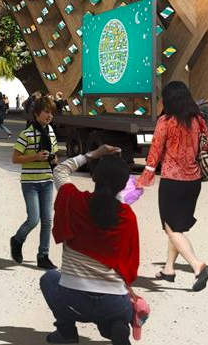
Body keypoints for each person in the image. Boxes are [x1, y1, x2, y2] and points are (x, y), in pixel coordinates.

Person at [39, 145, 136, 345]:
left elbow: (60, 170)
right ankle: (114, 326)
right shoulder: (126, 217)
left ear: (93, 178)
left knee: (49, 278)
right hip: (115, 303)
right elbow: (130, 262)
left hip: (73, 300)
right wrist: (116, 169)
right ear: (124, 185)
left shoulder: (74, 200)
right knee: (114, 311)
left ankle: (66, 332)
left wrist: (92, 155)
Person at [137, 81, 208, 291]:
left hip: (172, 181)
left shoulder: (166, 121)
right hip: (194, 181)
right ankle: (169, 269)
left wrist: (146, 176)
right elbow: (206, 144)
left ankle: (198, 266)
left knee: (171, 228)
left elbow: (155, 151)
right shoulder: (198, 119)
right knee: (177, 227)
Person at [10, 97, 57, 270]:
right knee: (33, 219)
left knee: (47, 221)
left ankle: (43, 256)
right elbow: (15, 158)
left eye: (51, 112)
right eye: (46, 112)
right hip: (30, 183)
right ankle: (17, 240)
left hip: (47, 181)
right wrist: (35, 157)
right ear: (36, 113)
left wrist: (53, 160)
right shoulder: (26, 134)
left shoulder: (51, 132)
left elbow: (55, 155)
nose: (49, 116)